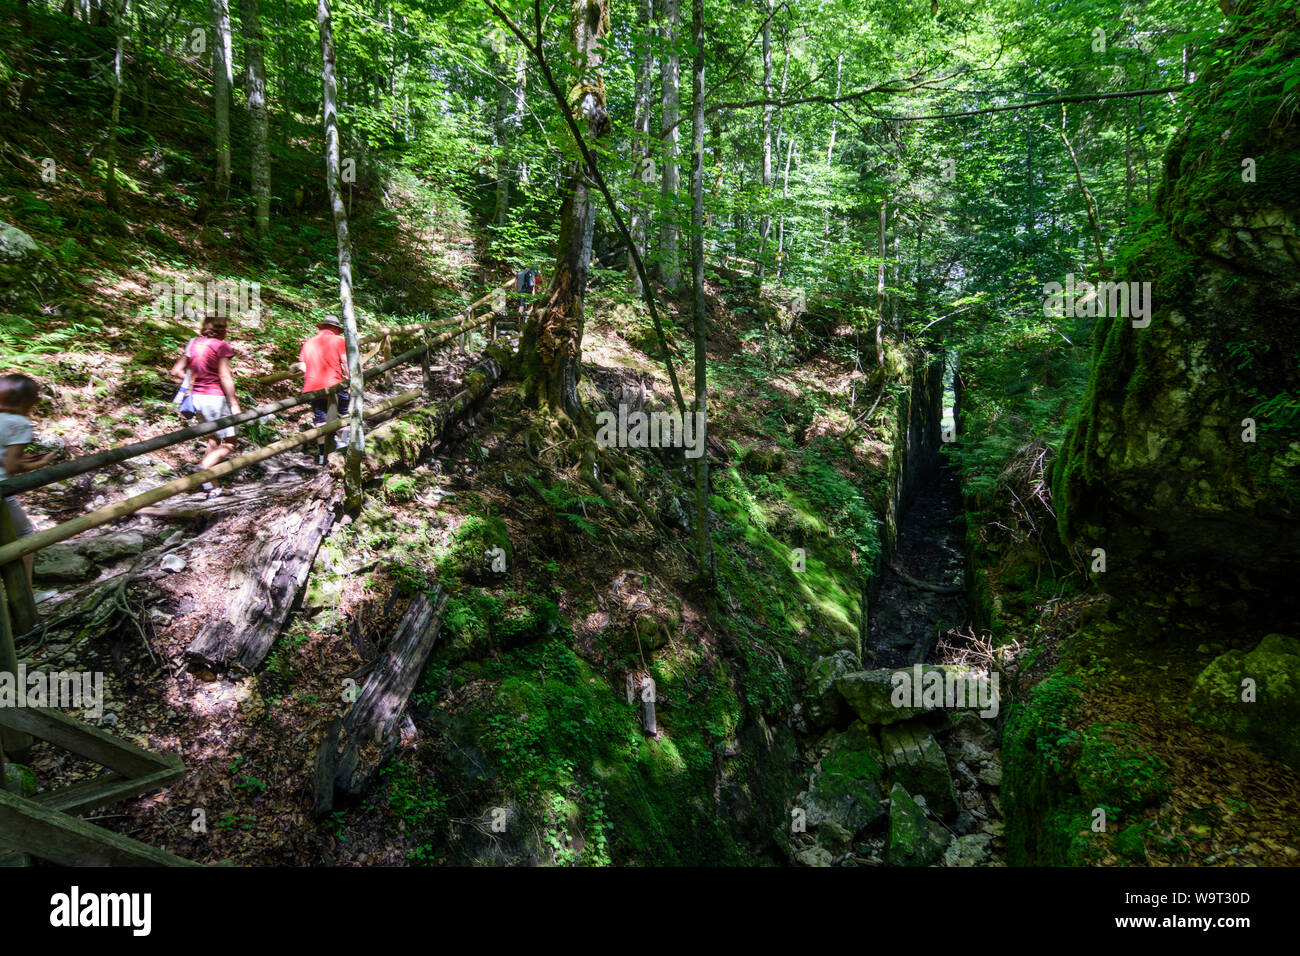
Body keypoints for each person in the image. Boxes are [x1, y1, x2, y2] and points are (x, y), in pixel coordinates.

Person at [170, 316, 240, 496]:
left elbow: (176, 370)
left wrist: (194, 380)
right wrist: (233, 402)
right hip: (214, 399)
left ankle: (212, 488)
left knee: (213, 439)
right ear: (223, 330)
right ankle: (203, 467)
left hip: (195, 399)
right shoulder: (221, 346)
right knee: (230, 443)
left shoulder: (193, 343)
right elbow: (225, 376)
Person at [0, 374, 57, 585]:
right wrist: (41, 464)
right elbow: (10, 466)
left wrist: (27, 459)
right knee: (26, 537)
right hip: (1, 490)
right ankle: (26, 596)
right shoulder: (20, 423)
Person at [291, 315, 349, 465]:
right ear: (335, 328)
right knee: (345, 413)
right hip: (334, 384)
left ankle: (323, 455)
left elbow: (303, 367)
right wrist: (351, 381)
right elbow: (345, 362)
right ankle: (345, 446)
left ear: (321, 327)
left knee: (321, 420)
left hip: (312, 386)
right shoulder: (338, 340)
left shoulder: (308, 343)